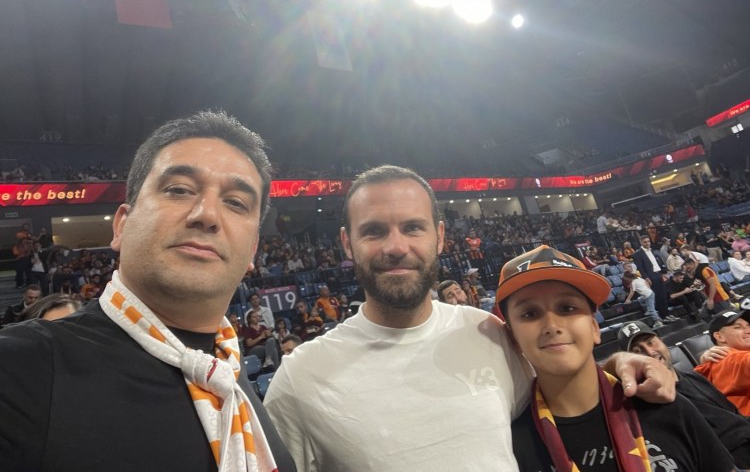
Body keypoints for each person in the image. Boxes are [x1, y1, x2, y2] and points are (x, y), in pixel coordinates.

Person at [264, 165, 675, 472]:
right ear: (346, 243)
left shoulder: (487, 332)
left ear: (440, 237)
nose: (395, 246)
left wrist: (618, 363)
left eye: (413, 227)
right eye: (373, 231)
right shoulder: (300, 379)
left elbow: (563, 387)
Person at [0, 111, 294, 471]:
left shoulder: (227, 374)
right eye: (179, 189)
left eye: (236, 202)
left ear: (252, 252)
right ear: (121, 226)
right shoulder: (23, 368)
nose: (207, 215)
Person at [500, 246, 734, 472]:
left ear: (594, 328)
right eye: (529, 313)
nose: (551, 325)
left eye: (567, 308)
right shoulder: (509, 448)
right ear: (513, 338)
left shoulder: (665, 404)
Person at [619, 320, 750, 468]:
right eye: (638, 351)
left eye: (651, 343)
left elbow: (735, 414)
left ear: (662, 342)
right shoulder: (651, 402)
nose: (650, 352)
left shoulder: (695, 377)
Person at [694, 309, 750, 416]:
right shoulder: (730, 358)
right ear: (720, 336)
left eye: (748, 325)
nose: (748, 330)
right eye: (737, 327)